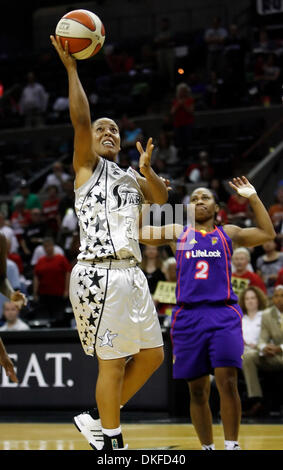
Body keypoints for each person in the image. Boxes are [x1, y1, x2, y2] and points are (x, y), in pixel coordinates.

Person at [50, 34, 168, 450]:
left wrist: (149, 170)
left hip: (132, 275)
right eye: (103, 127)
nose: (107, 132)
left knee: (153, 356)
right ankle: (112, 444)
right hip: (99, 274)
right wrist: (72, 70)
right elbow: (81, 121)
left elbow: (161, 199)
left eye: (114, 129)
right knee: (113, 364)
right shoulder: (87, 165)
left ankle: (98, 421)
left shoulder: (132, 177)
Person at [139, 176, 275, 450]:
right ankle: (207, 447)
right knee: (197, 390)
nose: (199, 201)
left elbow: (267, 233)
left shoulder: (229, 234)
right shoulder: (179, 233)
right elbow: (140, 232)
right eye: (194, 199)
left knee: (227, 382)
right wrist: (148, 199)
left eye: (206, 198)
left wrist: (253, 197)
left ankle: (232, 445)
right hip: (188, 317)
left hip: (223, 314)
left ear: (217, 208)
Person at [242, 285, 283, 416]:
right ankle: (256, 400)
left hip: (279, 351)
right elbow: (262, 339)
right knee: (248, 357)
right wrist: (264, 347)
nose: (279, 299)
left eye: (282, 296)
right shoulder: (267, 315)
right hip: (275, 356)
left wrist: (279, 348)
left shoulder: (261, 315)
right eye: (276, 296)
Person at [33, 237, 71, 327]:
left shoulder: (61, 259)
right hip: (44, 294)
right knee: (45, 317)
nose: (48, 248)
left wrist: (67, 290)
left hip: (58, 294)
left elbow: (68, 274)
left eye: (49, 246)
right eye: (45, 247)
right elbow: (36, 277)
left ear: (53, 246)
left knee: (58, 317)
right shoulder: (40, 261)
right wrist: (35, 293)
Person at [238, 286, 268, 353]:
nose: (250, 301)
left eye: (253, 298)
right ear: (244, 301)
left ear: (258, 300)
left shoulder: (265, 316)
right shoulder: (240, 319)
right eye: (247, 299)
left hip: (260, 352)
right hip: (241, 352)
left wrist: (257, 346)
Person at [170, 82, 194, 158]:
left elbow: (191, 111)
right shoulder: (175, 101)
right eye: (181, 90)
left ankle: (189, 156)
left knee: (188, 142)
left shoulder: (190, 100)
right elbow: (172, 112)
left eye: (184, 90)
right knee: (179, 142)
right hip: (178, 124)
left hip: (188, 124)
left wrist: (183, 105)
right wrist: (178, 104)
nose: (182, 92)